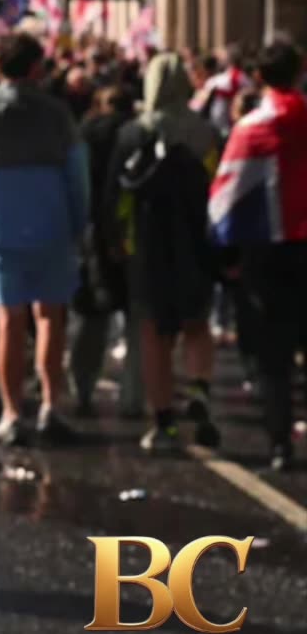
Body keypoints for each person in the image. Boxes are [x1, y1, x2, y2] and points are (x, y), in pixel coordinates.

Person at [0, 33, 88, 446]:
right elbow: (77, 177)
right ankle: (50, 405)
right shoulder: (58, 114)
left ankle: (11, 412)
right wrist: (78, 225)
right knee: (51, 318)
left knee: (8, 322)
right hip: (51, 226)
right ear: (35, 68)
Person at [107, 53, 222, 453]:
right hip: (197, 238)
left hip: (149, 244)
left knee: (155, 332)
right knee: (196, 322)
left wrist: (117, 240)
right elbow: (219, 187)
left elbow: (118, 197)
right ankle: (199, 388)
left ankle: (164, 422)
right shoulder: (206, 133)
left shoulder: (132, 134)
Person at [211, 42, 307, 471]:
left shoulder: (252, 127)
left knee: (273, 354)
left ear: (260, 78)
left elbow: (225, 197)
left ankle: (280, 442)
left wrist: (224, 250)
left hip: (268, 251)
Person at [69, 85, 138, 418]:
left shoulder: (84, 134)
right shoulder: (141, 136)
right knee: (137, 318)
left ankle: (81, 388)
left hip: (92, 233)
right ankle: (134, 397)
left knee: (91, 317)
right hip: (134, 233)